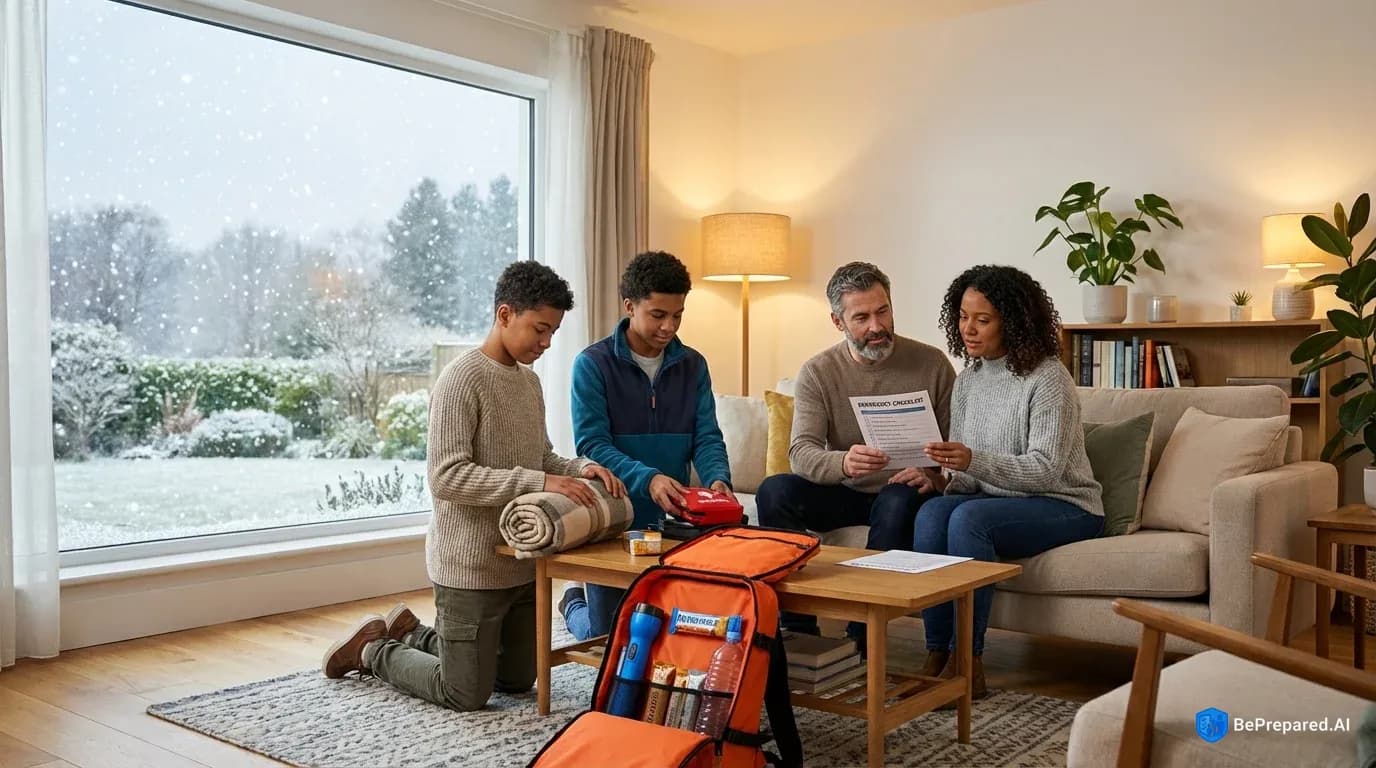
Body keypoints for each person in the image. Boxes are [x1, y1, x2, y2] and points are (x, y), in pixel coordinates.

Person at [319, 261, 625, 711]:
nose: (546, 342)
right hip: (471, 565)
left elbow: (541, 456)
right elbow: (446, 477)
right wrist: (541, 480)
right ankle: (373, 650)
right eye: (540, 329)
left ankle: (412, 631)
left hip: (521, 561)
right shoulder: (461, 380)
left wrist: (580, 469)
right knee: (464, 692)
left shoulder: (530, 383)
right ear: (504, 315)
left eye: (553, 332)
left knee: (519, 680)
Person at [913, 264, 1103, 701]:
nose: (968, 329)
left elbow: (1046, 469)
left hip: (1065, 504)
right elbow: (968, 477)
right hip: (1000, 501)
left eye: (983, 320)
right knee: (931, 514)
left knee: (970, 522)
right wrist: (940, 476)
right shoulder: (969, 381)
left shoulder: (1047, 377)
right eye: (962, 316)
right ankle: (936, 653)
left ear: (1012, 321)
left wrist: (974, 461)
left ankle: (969, 664)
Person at [756, 261, 956, 641]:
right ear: (838, 322)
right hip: (846, 490)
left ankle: (863, 634)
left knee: (898, 498)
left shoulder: (932, 364)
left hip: (904, 493)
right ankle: (798, 629)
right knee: (774, 491)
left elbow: (961, 444)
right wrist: (844, 462)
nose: (876, 326)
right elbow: (801, 453)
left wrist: (934, 476)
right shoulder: (818, 372)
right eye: (861, 317)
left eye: (883, 311)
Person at [560, 250, 733, 640]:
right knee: (609, 636)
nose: (669, 327)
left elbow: (706, 436)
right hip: (615, 519)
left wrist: (717, 479)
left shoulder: (693, 364)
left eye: (678, 315)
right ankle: (573, 601)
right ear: (629, 306)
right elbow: (592, 443)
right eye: (658, 315)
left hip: (674, 521)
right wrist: (649, 477)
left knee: (677, 632)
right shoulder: (592, 364)